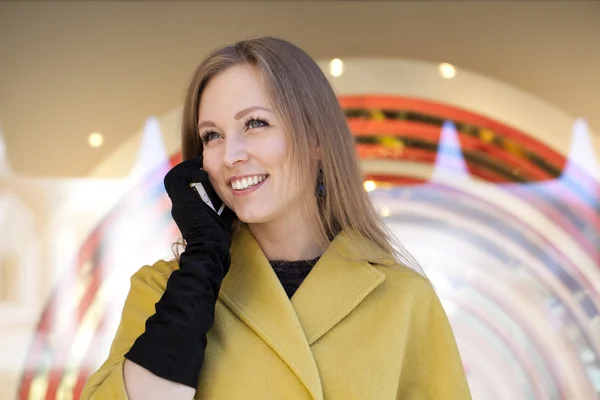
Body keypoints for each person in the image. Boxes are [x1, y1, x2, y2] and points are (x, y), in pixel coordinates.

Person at [81, 36, 471, 399]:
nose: (231, 154)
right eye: (211, 135)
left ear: (316, 138)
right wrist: (203, 264)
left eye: (255, 124)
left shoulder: (403, 300)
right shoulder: (166, 290)